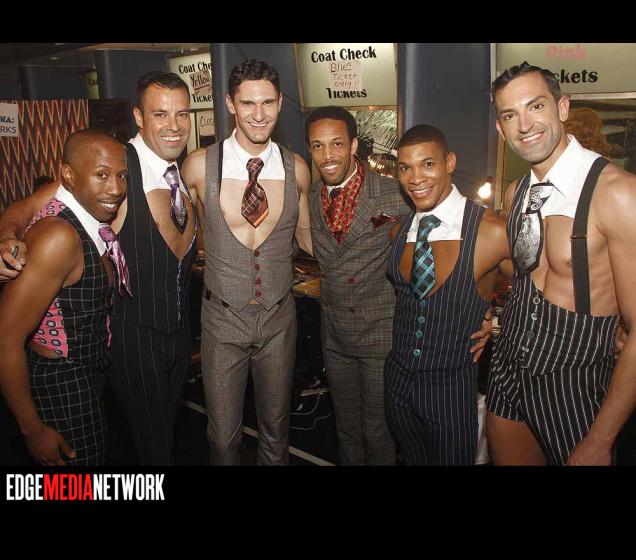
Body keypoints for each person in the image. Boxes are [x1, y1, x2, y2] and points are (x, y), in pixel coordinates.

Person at [0, 71, 198, 465]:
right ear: (139, 117)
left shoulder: (182, 170)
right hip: (127, 341)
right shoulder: (110, 161)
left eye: (182, 114)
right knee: (150, 451)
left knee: (158, 442)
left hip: (176, 339)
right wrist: (6, 236)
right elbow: (27, 207)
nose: (174, 126)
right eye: (160, 114)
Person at [486, 61, 636, 466]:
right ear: (500, 129)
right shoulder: (517, 191)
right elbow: (522, 271)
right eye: (510, 115)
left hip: (576, 381)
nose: (524, 125)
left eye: (535, 106)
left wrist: (601, 441)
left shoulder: (618, 194)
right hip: (508, 365)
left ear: (562, 107)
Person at [181, 59, 312, 465]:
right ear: (230, 104)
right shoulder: (199, 165)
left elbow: (309, 240)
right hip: (222, 320)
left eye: (268, 102)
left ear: (280, 103)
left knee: (276, 433)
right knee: (223, 438)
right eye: (248, 103)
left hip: (278, 319)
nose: (259, 114)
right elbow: (172, 232)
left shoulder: (297, 169)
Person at [384, 124, 511, 465]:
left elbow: (535, 289)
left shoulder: (491, 230)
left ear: (450, 162)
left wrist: (496, 322)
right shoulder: (399, 231)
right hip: (397, 384)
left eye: (427, 164)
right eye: (405, 167)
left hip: (451, 389)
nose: (415, 178)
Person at [0, 130, 127, 466]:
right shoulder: (58, 236)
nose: (116, 188)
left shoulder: (84, 211)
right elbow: (6, 339)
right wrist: (32, 430)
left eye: (121, 176)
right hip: (61, 383)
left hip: (85, 377)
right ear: (67, 175)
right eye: (102, 175)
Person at [304, 106, 409, 465]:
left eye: (336, 144)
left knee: (377, 431)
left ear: (353, 145)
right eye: (318, 146)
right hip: (335, 334)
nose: (327, 155)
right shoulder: (312, 196)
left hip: (378, 333)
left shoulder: (394, 193)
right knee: (346, 428)